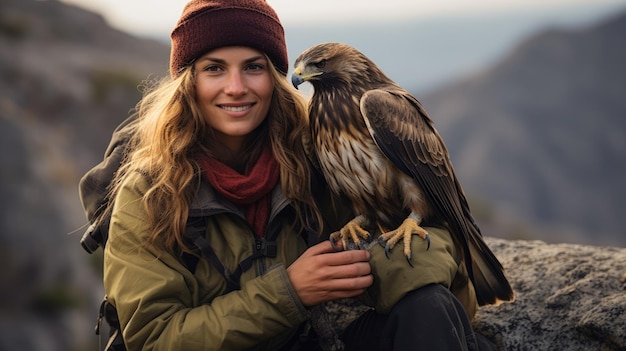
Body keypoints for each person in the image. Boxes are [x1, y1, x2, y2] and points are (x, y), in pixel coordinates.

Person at [98, 0, 497, 350]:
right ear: (189, 82)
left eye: (253, 67)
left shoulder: (311, 150)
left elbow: (429, 235)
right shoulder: (149, 191)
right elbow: (153, 340)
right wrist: (291, 291)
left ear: (273, 78)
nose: (235, 87)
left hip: (310, 343)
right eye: (214, 69)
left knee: (427, 310)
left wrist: (381, 263)